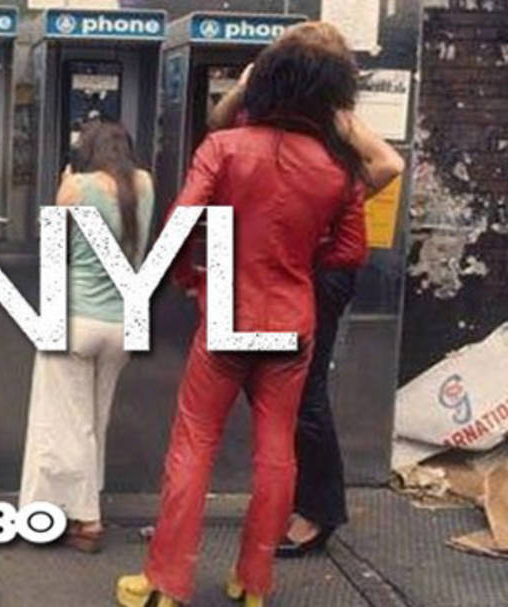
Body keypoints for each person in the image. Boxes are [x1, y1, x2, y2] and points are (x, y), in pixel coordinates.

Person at [116, 28, 370, 607]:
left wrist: (190, 278)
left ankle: (165, 582)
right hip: (293, 318)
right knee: (277, 450)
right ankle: (253, 583)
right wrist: (299, 263)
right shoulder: (337, 165)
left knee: (194, 443)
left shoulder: (225, 147)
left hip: (229, 308)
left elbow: (180, 223)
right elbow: (349, 251)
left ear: (267, 83)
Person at [208, 22, 405, 557]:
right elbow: (218, 124)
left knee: (303, 389)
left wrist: (326, 206)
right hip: (271, 257)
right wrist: (244, 88)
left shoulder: (332, 115)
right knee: (266, 384)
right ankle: (292, 497)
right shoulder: (267, 106)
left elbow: (389, 164)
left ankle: (320, 510)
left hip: (318, 264)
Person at [18, 120, 154, 553]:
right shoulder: (145, 184)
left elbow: (53, 249)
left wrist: (63, 188)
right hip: (122, 325)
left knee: (64, 423)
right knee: (95, 420)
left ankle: (84, 519)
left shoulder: (76, 186)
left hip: (74, 321)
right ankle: (83, 504)